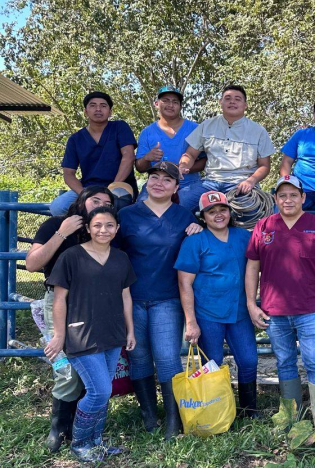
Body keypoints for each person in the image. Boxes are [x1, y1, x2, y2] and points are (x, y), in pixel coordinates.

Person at [245, 175, 315, 442]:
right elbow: (252, 267)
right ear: (275, 199)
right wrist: (252, 304)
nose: (288, 200)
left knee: (314, 362)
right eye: (282, 195)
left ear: (302, 197)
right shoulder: (263, 226)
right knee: (284, 362)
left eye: (293, 195)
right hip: (274, 311)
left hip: (311, 309)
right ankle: (290, 417)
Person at [43, 207, 136, 462]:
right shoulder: (71, 257)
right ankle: (80, 443)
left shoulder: (120, 258)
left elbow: (125, 295)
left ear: (117, 229)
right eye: (97, 225)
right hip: (81, 333)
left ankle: (95, 441)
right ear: (88, 228)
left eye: (109, 225)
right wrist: (59, 335)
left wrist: (130, 330)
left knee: (102, 393)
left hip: (113, 333)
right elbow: (59, 299)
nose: (103, 230)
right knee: (99, 391)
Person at [26, 186, 114, 452]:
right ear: (81, 201)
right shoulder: (55, 224)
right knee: (66, 367)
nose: (99, 204)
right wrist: (62, 232)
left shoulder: (105, 230)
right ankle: (59, 427)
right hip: (60, 301)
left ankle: (83, 426)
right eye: (94, 199)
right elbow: (32, 264)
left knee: (92, 365)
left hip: (97, 303)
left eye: (106, 202)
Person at [118, 161, 201, 440]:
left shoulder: (185, 216)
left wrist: (198, 229)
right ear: (146, 182)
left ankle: (173, 421)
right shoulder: (127, 215)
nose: (159, 183)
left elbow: (198, 251)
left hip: (167, 298)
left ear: (176, 187)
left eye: (167, 180)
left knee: (167, 358)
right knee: (138, 356)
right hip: (132, 297)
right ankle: (149, 417)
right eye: (154, 177)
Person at [175, 191, 258, 418]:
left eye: (222, 209)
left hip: (239, 311)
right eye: (211, 212)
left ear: (230, 212)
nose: (218, 215)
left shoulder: (243, 236)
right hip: (207, 313)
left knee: (249, 360)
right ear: (203, 216)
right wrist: (191, 321)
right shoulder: (195, 241)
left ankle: (249, 410)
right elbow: (185, 284)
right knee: (212, 364)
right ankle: (219, 411)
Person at [50, 91, 137, 216]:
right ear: (86, 112)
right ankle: (79, 234)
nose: (98, 109)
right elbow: (68, 174)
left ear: (110, 111)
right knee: (58, 207)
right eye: (93, 105)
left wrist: (111, 188)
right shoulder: (76, 139)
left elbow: (128, 157)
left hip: (119, 185)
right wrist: (84, 194)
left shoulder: (119, 127)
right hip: (89, 188)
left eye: (103, 106)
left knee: (117, 207)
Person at [179, 84, 275, 196]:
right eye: (228, 98)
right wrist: (184, 165)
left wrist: (251, 180)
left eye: (237, 99)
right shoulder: (207, 125)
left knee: (252, 211)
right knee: (180, 202)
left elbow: (265, 166)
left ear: (245, 105)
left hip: (242, 184)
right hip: (209, 183)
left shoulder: (258, 131)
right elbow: (190, 154)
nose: (232, 102)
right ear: (221, 102)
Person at [135, 86, 205, 210]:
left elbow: (204, 161)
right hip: (157, 185)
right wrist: (147, 158)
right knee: (142, 209)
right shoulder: (147, 132)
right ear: (156, 104)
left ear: (180, 106)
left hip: (189, 185)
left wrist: (180, 171)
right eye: (166, 100)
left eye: (175, 102)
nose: (170, 105)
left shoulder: (195, 129)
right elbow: (140, 168)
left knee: (179, 208)